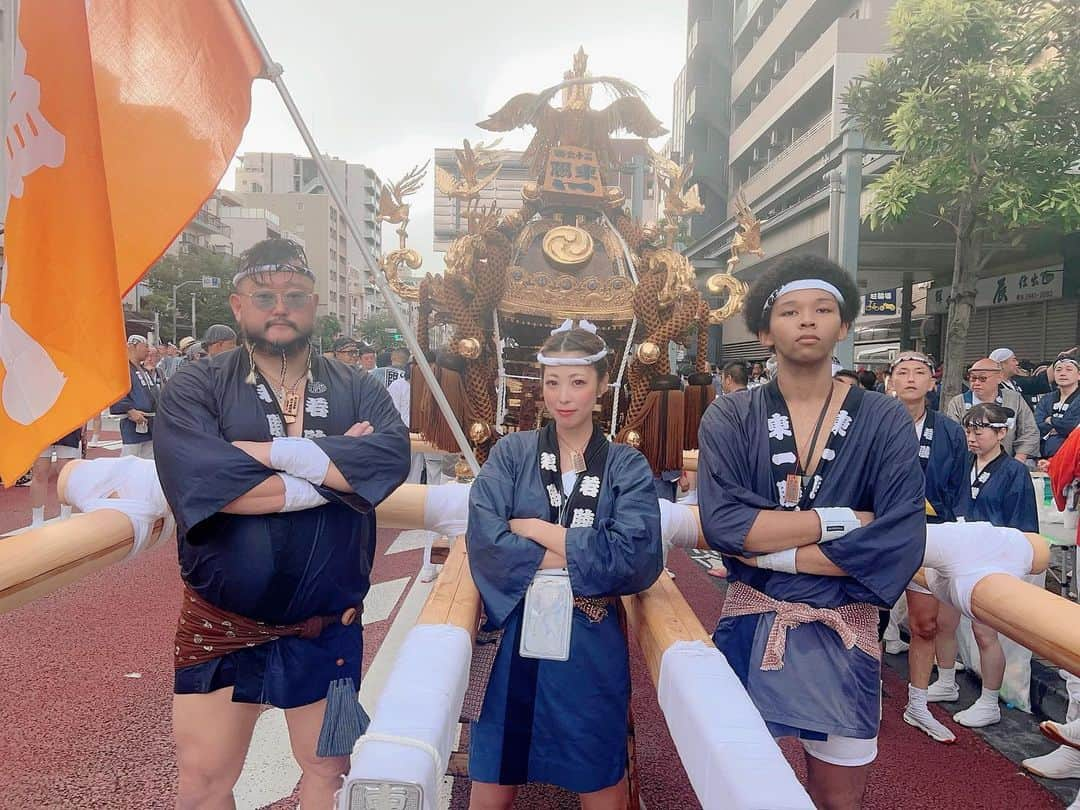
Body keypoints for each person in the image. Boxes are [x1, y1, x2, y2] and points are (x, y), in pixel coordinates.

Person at [153, 238, 410, 809]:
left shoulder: (358, 386)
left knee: (330, 771)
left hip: (331, 628)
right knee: (201, 782)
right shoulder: (196, 385)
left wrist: (266, 455)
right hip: (220, 625)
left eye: (294, 295)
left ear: (314, 304)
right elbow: (203, 484)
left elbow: (389, 459)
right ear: (238, 305)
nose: (280, 307)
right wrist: (332, 472)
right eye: (263, 295)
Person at [698, 255, 925, 810]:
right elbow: (724, 524)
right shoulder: (730, 416)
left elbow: (898, 538)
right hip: (752, 622)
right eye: (790, 310)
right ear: (762, 330)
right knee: (745, 792)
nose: (807, 321)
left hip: (843, 628)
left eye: (823, 309)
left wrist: (768, 548)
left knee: (838, 800)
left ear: (843, 325)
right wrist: (842, 521)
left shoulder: (884, 417)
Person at [466, 322, 662, 810]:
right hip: (515, 631)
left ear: (600, 385)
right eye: (553, 383)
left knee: (596, 759)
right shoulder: (512, 452)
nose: (563, 396)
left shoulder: (626, 464)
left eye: (577, 382)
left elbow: (636, 557)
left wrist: (532, 527)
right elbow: (485, 541)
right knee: (497, 762)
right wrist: (589, 548)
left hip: (590, 635)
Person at [929, 402, 1039, 729]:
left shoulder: (1014, 471)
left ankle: (990, 700)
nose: (972, 437)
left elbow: (1022, 527)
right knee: (943, 621)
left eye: (979, 430)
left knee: (983, 630)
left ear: (1002, 432)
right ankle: (947, 680)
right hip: (959, 550)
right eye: (968, 430)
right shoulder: (964, 464)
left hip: (992, 559)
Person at [890, 352, 968, 743]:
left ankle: (917, 703)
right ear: (891, 381)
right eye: (902, 372)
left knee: (925, 624)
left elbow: (958, 486)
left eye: (919, 372)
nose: (910, 379)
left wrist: (954, 532)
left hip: (928, 533)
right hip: (878, 532)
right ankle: (852, 692)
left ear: (931, 383)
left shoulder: (950, 430)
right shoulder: (871, 424)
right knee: (858, 616)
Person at [944, 358, 1039, 462]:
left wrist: (1019, 459)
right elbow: (952, 436)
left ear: (999, 378)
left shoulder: (1014, 399)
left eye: (982, 378)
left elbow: (1030, 431)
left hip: (1010, 459)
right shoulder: (958, 402)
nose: (976, 383)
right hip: (967, 461)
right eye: (973, 378)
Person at [109, 335, 160, 459]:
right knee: (130, 460)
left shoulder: (144, 370)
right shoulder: (123, 369)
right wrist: (130, 410)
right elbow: (116, 393)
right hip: (133, 422)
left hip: (150, 422)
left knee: (148, 462)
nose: (148, 350)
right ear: (133, 346)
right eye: (145, 346)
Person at [29, 428, 81, 527]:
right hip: (42, 424)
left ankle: (66, 516)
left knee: (65, 472)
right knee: (39, 473)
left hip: (67, 425)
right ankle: (37, 519)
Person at [1036, 356, 1080, 465]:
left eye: (1069, 369)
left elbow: (1072, 426)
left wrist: (1051, 420)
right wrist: (1061, 426)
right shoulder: (1046, 398)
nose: (1063, 373)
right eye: (1058, 370)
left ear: (1079, 375)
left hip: (1072, 457)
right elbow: (1037, 424)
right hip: (1042, 455)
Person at [991, 347, 1052, 413]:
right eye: (1013, 360)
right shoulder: (995, 387)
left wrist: (1060, 360)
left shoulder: (1015, 382)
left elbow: (1038, 381)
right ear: (1001, 364)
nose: (1017, 363)